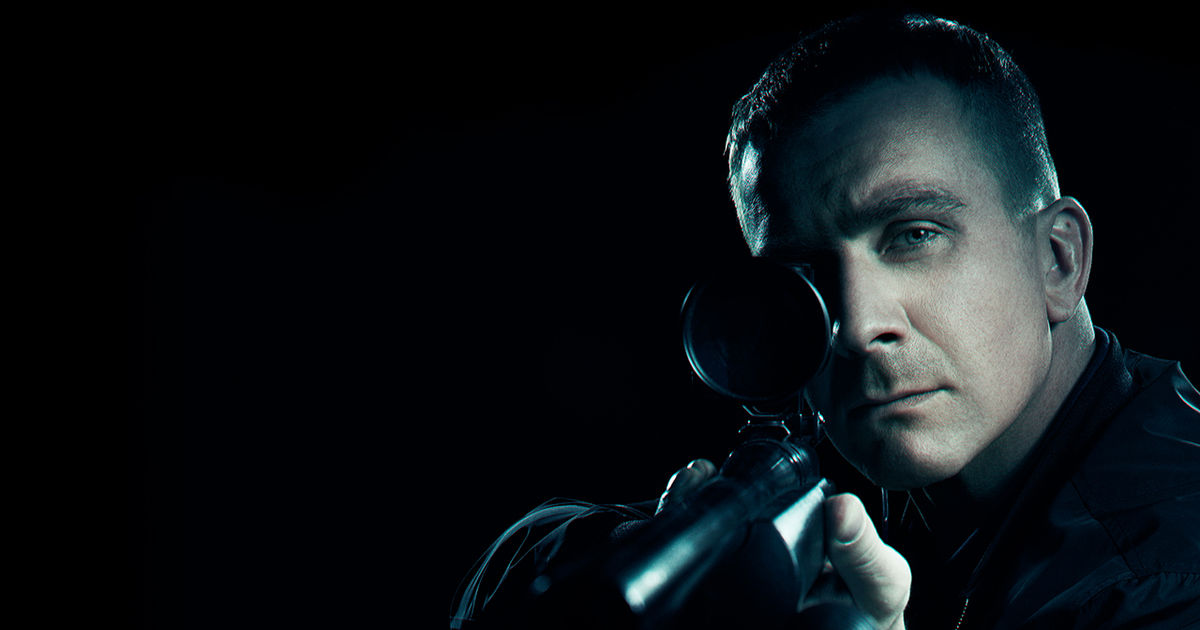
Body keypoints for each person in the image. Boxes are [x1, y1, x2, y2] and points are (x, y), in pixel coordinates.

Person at [451, 13, 1200, 629]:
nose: (856, 326)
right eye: (804, 277)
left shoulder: (1164, 577)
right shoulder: (905, 462)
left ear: (1057, 261)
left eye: (913, 235)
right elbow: (533, 561)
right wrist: (634, 552)